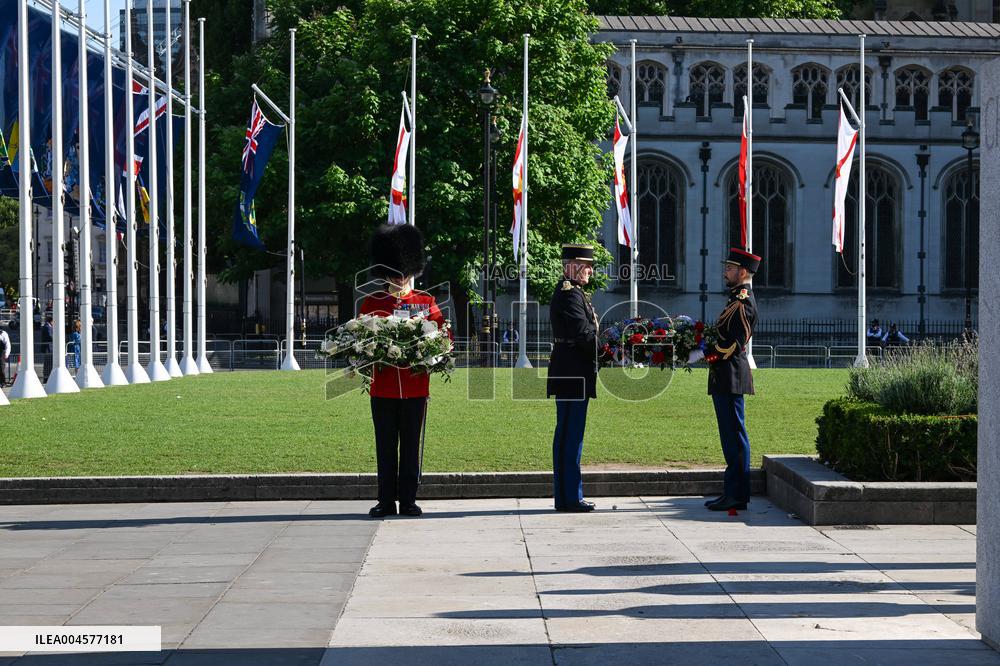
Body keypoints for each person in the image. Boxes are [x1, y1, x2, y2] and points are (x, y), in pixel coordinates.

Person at [359, 224, 449, 519]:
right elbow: (360, 342)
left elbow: (443, 337)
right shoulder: (373, 303)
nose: (400, 279)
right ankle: (386, 500)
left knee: (410, 446)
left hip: (414, 388)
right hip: (383, 388)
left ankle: (408, 500)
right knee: (385, 446)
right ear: (387, 274)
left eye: (404, 273)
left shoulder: (426, 302)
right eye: (395, 274)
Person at [689, 248, 760, 512]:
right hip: (724, 375)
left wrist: (703, 353)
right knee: (729, 438)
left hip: (730, 375)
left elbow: (732, 344)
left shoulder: (743, 301)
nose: (725, 272)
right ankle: (731, 492)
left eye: (730, 269)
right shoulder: (734, 300)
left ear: (743, 272)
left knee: (734, 437)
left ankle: (737, 495)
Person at [546, 244, 599, 513]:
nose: (590, 270)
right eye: (586, 265)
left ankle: (566, 496)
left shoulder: (575, 292)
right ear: (572, 266)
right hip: (572, 372)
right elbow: (583, 333)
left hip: (571, 370)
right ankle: (570, 497)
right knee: (571, 435)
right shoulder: (570, 294)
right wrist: (611, 348)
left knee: (568, 434)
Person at [41, 316, 54, 382]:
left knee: (49, 363)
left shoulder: (49, 326)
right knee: (47, 363)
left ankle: (47, 377)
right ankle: (46, 378)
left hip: (49, 347)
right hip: (48, 348)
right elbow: (50, 336)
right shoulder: (47, 327)